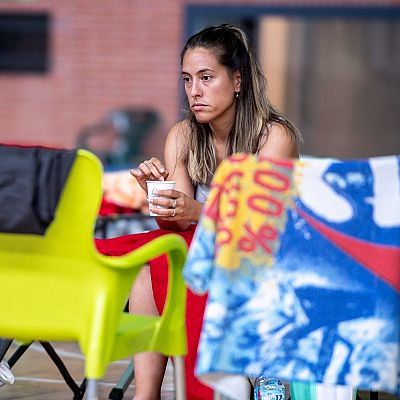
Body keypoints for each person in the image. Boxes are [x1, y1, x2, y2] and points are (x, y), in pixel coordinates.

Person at [127, 24, 302, 399]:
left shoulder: (273, 137)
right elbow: (175, 223)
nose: (195, 91)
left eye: (207, 77)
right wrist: (158, 195)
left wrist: (193, 210)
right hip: (206, 250)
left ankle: (260, 375)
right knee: (151, 262)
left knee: (180, 260)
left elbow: (261, 225)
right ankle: (146, 394)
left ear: (237, 80)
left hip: (266, 257)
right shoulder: (184, 135)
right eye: (187, 79)